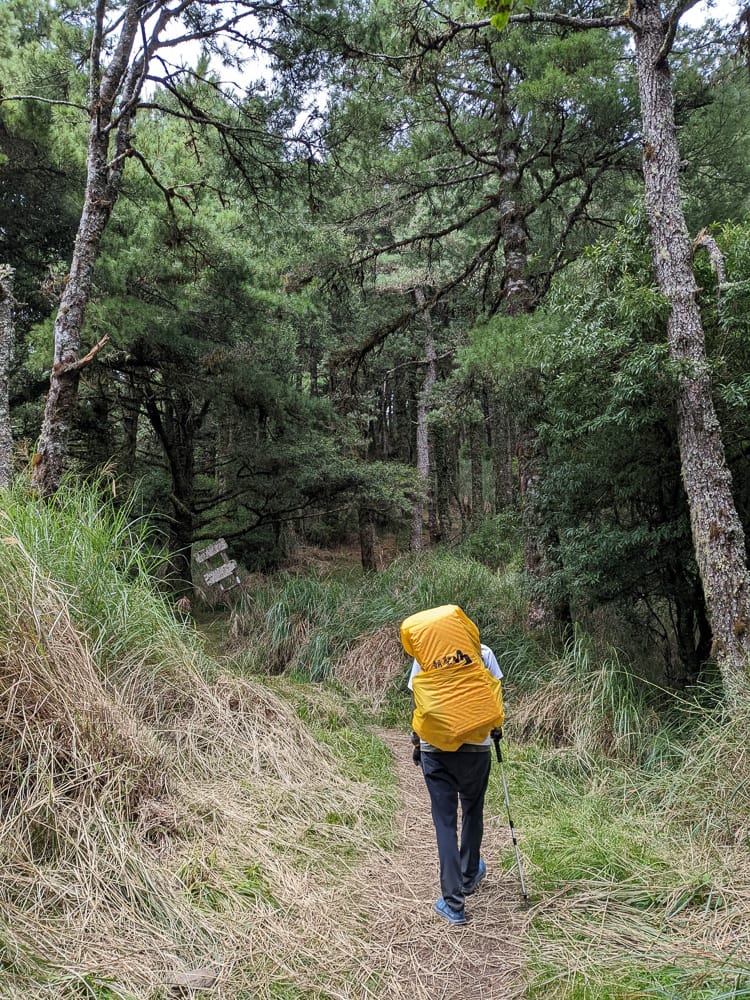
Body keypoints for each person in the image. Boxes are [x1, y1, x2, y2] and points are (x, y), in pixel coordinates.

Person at [408, 635, 503, 926]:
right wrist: (496, 731)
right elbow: (495, 698)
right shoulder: (483, 652)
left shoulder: (424, 655)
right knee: (473, 811)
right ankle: (470, 875)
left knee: (445, 822)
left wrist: (416, 741)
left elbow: (419, 702)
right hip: (477, 747)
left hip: (436, 750)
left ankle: (453, 903)